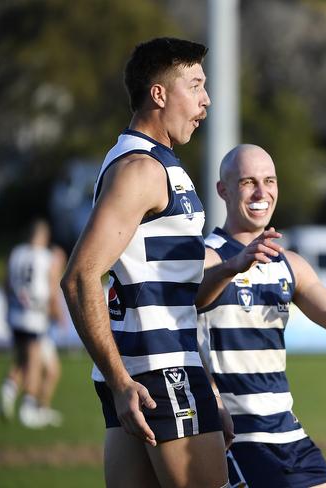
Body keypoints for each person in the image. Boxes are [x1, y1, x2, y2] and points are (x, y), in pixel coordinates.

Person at [61, 38, 229, 488]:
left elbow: (163, 289)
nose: (205, 99)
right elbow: (79, 278)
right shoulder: (141, 169)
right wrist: (120, 382)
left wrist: (206, 388)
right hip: (160, 373)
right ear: (159, 95)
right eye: (195, 86)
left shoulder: (154, 163)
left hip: (156, 373)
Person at [195, 143, 326, 488]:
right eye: (247, 182)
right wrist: (233, 266)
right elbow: (192, 297)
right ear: (223, 190)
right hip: (233, 435)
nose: (261, 192)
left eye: (269, 181)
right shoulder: (207, 257)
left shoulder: (290, 264)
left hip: (285, 430)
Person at [0, 219, 65, 428]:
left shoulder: (17, 253)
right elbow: (52, 289)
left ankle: (10, 389)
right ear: (43, 236)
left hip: (16, 315)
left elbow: (7, 284)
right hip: (35, 317)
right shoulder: (45, 257)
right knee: (35, 364)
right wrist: (58, 314)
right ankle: (29, 409)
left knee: (22, 361)